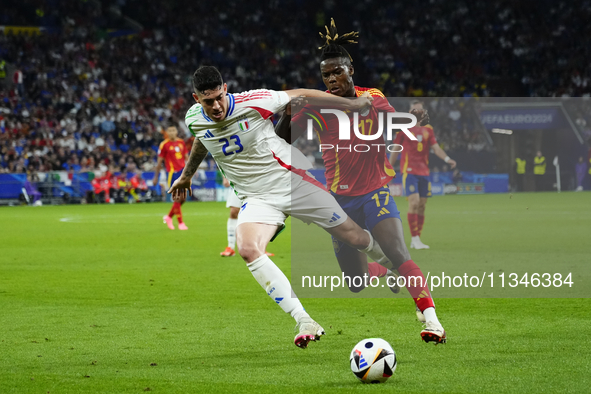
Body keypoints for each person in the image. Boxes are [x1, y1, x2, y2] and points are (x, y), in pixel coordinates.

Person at [170, 66, 401, 349]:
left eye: (219, 97)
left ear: (226, 88)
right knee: (248, 249)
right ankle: (304, 320)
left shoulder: (254, 101)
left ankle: (396, 267)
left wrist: (352, 103)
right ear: (197, 99)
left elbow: (303, 93)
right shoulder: (194, 119)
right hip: (257, 198)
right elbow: (202, 138)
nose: (216, 106)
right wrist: (186, 175)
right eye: (208, 101)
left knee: (354, 236)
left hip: (293, 182)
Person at [275, 20, 446, 344]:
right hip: (338, 202)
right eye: (326, 75)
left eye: (337, 72)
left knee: (398, 252)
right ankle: (383, 270)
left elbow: (397, 123)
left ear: (350, 69)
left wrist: (416, 115)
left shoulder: (374, 98)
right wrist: (287, 113)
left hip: (374, 192)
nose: (331, 80)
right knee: (356, 281)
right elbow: (281, 139)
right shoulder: (317, 104)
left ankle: (432, 321)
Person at [389, 100, 456, 250]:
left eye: (420, 110)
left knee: (422, 206)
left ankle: (417, 238)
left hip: (424, 172)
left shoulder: (428, 129)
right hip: (409, 171)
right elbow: (395, 149)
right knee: (414, 203)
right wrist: (388, 167)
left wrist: (447, 159)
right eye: (414, 110)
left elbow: (436, 148)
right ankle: (414, 239)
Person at [220, 176, 274, 257]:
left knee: (258, 213)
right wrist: (225, 177)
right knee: (234, 212)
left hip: (256, 182)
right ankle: (230, 247)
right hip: (238, 182)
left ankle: (260, 247)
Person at [153, 126, 189, 230]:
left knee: (183, 199)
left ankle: (169, 217)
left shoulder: (181, 142)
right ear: (167, 133)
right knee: (177, 197)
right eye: (170, 131)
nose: (172, 132)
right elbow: (159, 162)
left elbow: (186, 157)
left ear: (177, 131)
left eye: (174, 130)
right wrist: (156, 177)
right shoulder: (164, 144)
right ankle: (181, 223)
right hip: (172, 173)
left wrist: (191, 170)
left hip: (183, 173)